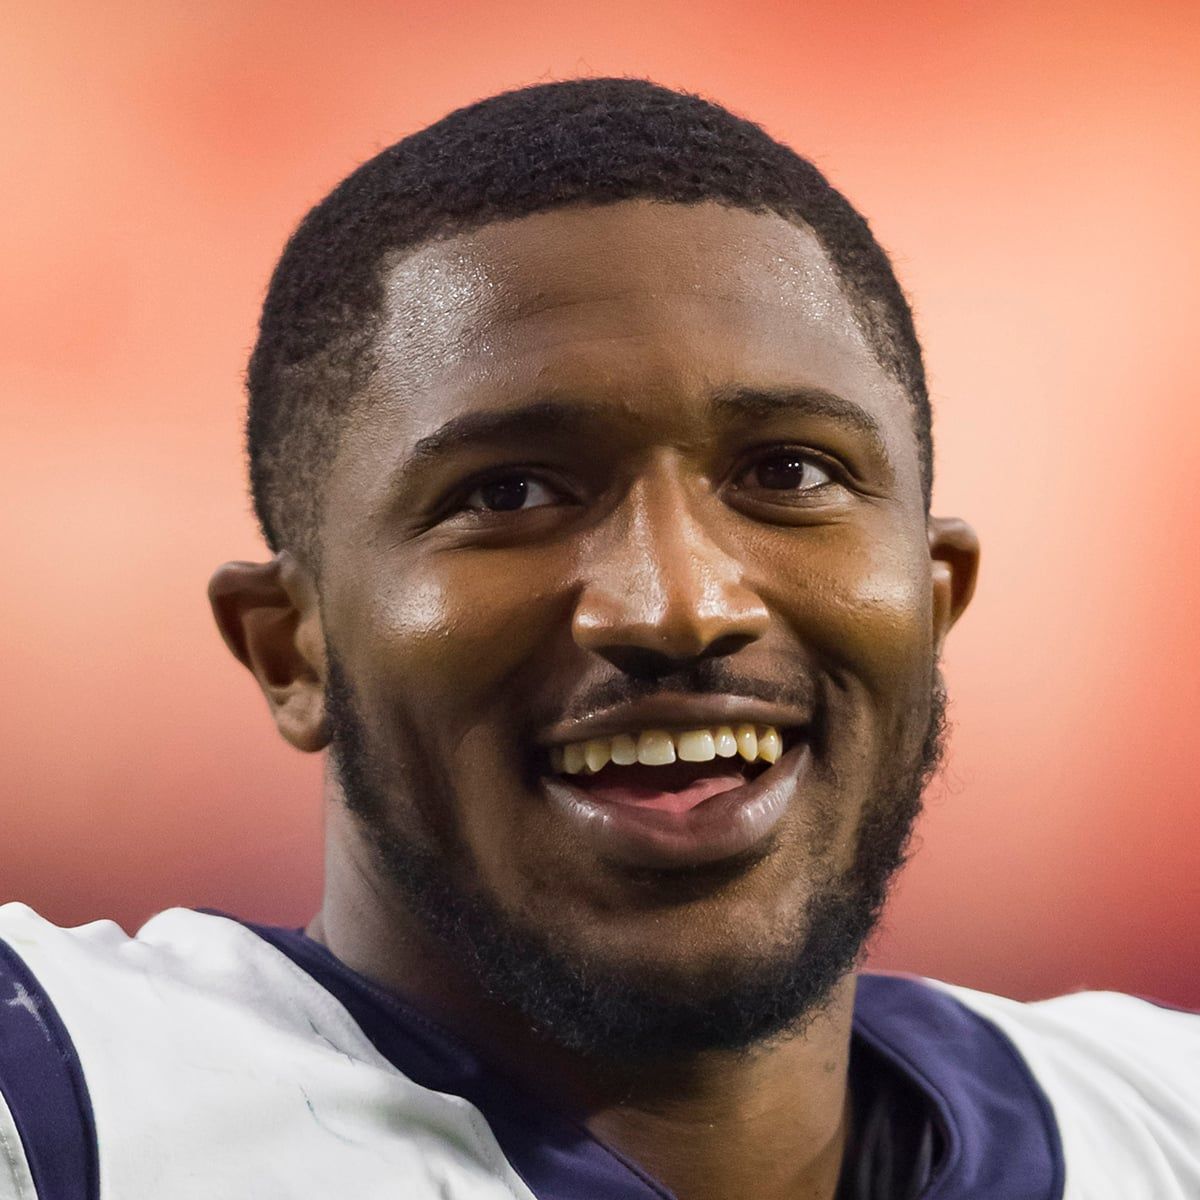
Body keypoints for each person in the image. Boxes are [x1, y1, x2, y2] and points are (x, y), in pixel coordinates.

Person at [0, 77, 1195, 1200]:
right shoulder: (69, 1098)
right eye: (510, 492)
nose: (680, 604)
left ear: (934, 602)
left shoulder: (1162, 1123)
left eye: (789, 472)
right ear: (291, 650)